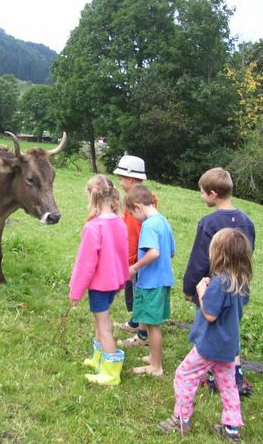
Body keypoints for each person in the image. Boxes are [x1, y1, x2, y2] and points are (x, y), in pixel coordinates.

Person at [158, 227, 253, 442]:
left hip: (210, 345)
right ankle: (231, 428)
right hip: (229, 346)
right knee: (228, 385)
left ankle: (181, 419)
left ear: (220, 254)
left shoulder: (220, 281)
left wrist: (202, 290)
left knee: (184, 375)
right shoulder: (241, 280)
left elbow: (210, 313)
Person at [183, 167, 255, 395]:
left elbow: (199, 259)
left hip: (212, 288)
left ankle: (210, 373)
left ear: (213, 194)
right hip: (238, 286)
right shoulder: (247, 222)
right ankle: (236, 375)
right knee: (230, 330)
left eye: (203, 192)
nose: (202, 196)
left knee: (208, 330)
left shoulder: (209, 222)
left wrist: (190, 288)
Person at [69, 175, 129, 386]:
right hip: (113, 282)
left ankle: (111, 373)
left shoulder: (94, 227)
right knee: (99, 321)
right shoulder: (119, 222)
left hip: (100, 285)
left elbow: (85, 265)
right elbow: (122, 253)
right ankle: (98, 359)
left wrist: (75, 292)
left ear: (91, 196)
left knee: (104, 327)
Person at [120, 184, 175, 376]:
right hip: (163, 280)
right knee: (153, 324)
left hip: (152, 283)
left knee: (152, 326)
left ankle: (156, 367)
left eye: (131, 213)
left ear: (138, 206)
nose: (133, 218)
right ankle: (153, 357)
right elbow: (172, 253)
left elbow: (154, 252)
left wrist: (135, 267)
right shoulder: (163, 221)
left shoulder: (149, 225)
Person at [111, 154, 158, 347]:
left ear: (131, 179)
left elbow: (141, 235)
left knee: (140, 295)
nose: (120, 182)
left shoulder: (141, 204)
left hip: (139, 260)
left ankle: (142, 335)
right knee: (134, 294)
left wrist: (135, 260)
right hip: (132, 258)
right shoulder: (136, 200)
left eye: (121, 178)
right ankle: (134, 323)